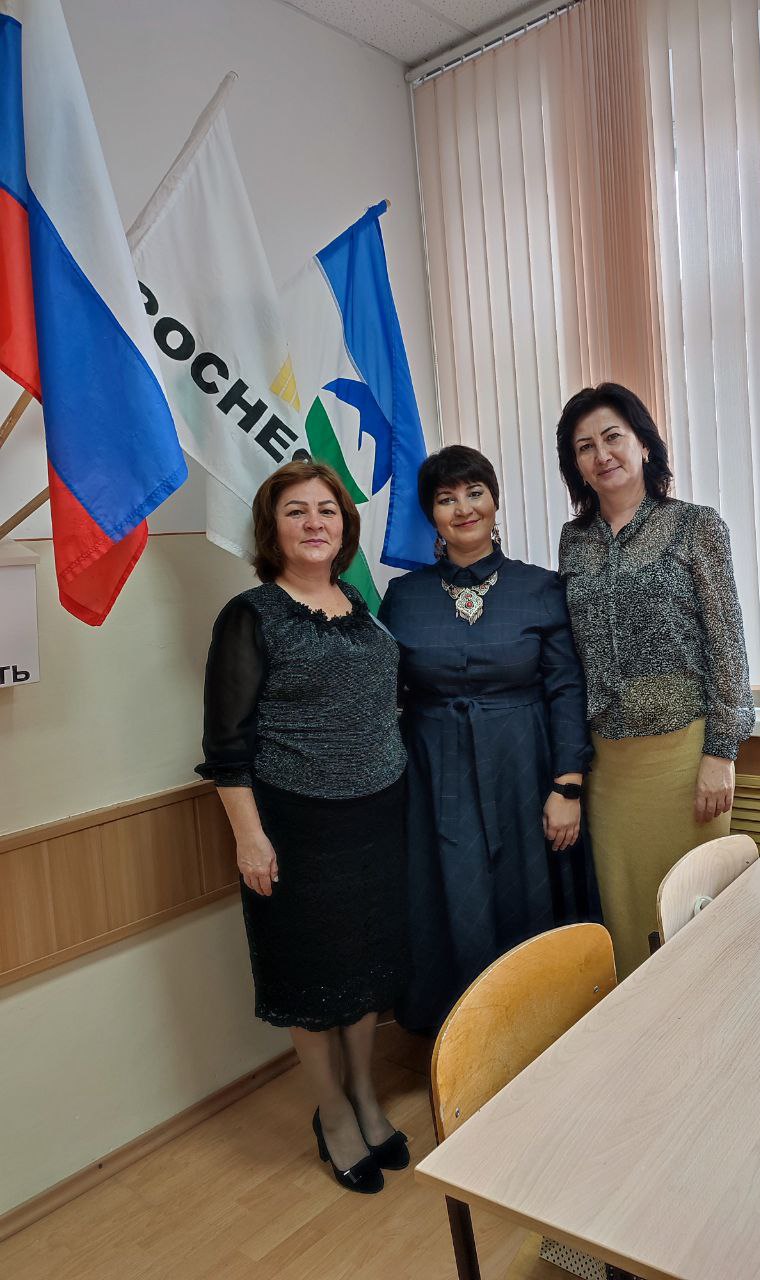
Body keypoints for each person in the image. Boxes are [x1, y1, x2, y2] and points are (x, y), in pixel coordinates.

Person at [197, 460, 409, 1196]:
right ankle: (333, 1112)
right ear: (272, 528)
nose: (315, 522)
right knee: (312, 978)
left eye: (328, 509)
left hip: (377, 819)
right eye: (296, 511)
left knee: (363, 971)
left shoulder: (359, 603)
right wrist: (249, 837)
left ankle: (365, 1094)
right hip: (295, 827)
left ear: (345, 526)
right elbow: (226, 745)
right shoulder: (251, 615)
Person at [378, 445, 599, 1033]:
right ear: (431, 514)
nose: (463, 508)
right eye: (446, 499)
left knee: (528, 893)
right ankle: (463, 1037)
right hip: (434, 775)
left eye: (474, 493)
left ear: (495, 502)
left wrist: (568, 786)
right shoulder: (403, 596)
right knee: (452, 894)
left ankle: (537, 1027)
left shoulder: (540, 587)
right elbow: (384, 693)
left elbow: (566, 689)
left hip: (525, 766)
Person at [556, 383, 755, 977]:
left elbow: (727, 642)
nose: (602, 454)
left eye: (612, 437)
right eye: (585, 447)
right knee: (627, 921)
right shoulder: (573, 542)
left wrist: (721, 753)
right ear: (576, 466)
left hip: (684, 759)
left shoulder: (696, 526)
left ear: (643, 443)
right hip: (609, 767)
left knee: (694, 921)